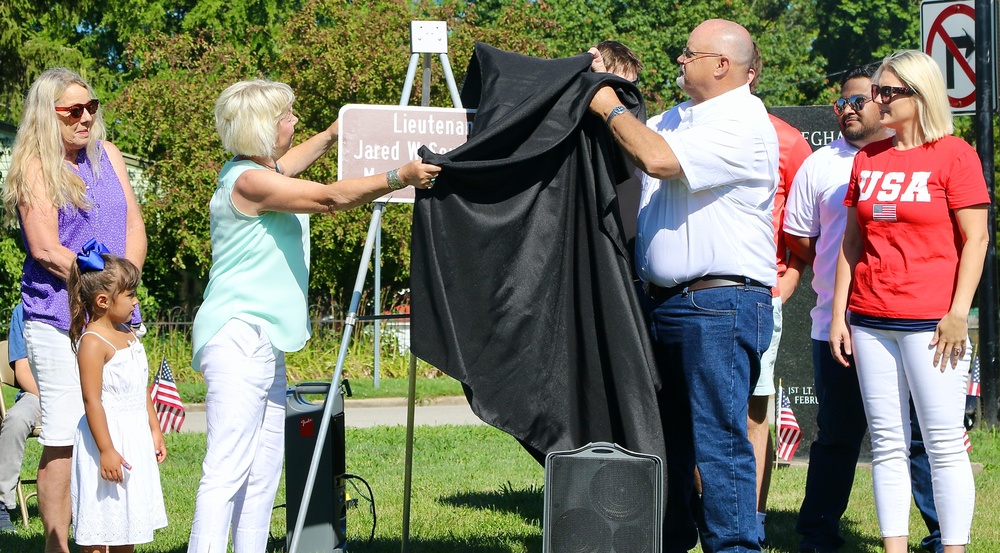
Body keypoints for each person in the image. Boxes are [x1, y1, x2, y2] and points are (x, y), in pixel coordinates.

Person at [187, 79, 439, 553]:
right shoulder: (250, 180)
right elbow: (328, 199)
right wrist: (398, 177)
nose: (294, 122)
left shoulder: (253, 170)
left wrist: (331, 133)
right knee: (226, 470)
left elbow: (293, 162)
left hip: (262, 341)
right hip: (238, 338)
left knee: (262, 475)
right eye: (287, 116)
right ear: (263, 128)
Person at [589, 19, 777, 552]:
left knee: (717, 440)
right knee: (664, 440)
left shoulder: (743, 121)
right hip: (668, 303)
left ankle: (736, 547)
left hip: (719, 301)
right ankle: (672, 541)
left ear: (722, 65)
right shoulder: (679, 116)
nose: (679, 60)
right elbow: (638, 151)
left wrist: (606, 102)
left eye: (688, 53)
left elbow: (657, 159)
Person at [830, 50, 988, 553]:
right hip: (871, 318)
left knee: (943, 445)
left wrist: (959, 311)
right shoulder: (866, 159)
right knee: (887, 445)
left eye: (886, 92)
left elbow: (978, 239)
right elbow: (852, 243)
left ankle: (954, 547)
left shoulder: (955, 154)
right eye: (876, 91)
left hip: (934, 323)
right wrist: (840, 314)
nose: (876, 100)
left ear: (919, 97)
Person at [785, 64, 945, 553]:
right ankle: (817, 534)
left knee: (916, 436)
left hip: (912, 321)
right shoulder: (821, 164)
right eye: (841, 104)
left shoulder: (927, 159)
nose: (847, 111)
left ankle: (941, 534)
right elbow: (799, 237)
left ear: (885, 101)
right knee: (836, 434)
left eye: (858, 101)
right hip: (838, 324)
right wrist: (837, 279)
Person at [1, 67, 146, 553]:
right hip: (56, 317)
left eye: (91, 108)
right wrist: (103, 284)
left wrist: (123, 288)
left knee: (113, 425)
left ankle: (108, 536)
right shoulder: (35, 168)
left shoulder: (109, 157)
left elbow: (134, 228)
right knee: (64, 430)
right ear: (49, 115)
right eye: (73, 111)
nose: (86, 117)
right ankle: (57, 546)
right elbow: (45, 248)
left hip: (112, 311)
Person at [745, 42, 812, 547]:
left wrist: (785, 283)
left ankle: (754, 519)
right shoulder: (682, 126)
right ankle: (702, 512)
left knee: (753, 411)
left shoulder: (787, 141)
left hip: (761, 294)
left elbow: (805, 229)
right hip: (690, 294)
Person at [67, 245, 167, 552]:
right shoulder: (93, 343)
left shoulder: (128, 333)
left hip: (133, 437)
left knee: (127, 521)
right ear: (102, 301)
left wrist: (154, 429)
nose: (136, 301)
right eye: (130, 295)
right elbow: (92, 401)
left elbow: (141, 388)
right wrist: (107, 450)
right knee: (100, 521)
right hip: (106, 440)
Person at [0, 303, 42, 532]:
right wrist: (48, 399)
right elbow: (22, 370)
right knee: (15, 420)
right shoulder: (22, 311)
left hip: (77, 393)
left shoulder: (80, 302)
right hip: (36, 393)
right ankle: (2, 502)